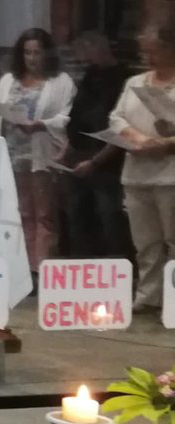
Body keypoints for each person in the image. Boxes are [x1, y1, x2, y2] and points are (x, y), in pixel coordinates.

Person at [0, 27, 74, 276]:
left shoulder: (60, 81)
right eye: (27, 52)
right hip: (12, 155)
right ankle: (23, 269)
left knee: (43, 214)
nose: (32, 58)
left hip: (42, 154)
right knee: (20, 213)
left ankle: (43, 268)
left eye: (37, 52)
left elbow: (65, 116)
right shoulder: (8, 80)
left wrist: (41, 124)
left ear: (47, 54)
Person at [109, 19, 175, 313]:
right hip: (136, 172)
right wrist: (136, 138)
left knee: (173, 240)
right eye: (146, 51)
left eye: (156, 51)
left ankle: (173, 300)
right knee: (145, 242)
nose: (149, 57)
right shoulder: (134, 83)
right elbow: (116, 117)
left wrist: (165, 142)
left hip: (171, 174)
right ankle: (148, 296)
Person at [61, 31, 131, 260]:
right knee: (77, 215)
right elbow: (77, 116)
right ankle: (82, 266)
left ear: (98, 47)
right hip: (80, 156)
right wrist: (68, 148)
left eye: (84, 53)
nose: (82, 60)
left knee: (110, 217)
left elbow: (122, 128)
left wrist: (95, 161)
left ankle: (119, 270)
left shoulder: (124, 80)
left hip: (109, 160)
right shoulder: (88, 77)